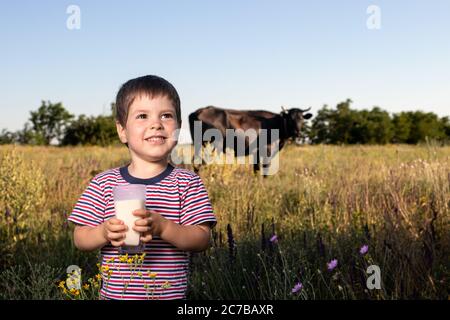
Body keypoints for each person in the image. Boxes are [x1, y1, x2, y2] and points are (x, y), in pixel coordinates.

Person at [68, 75, 216, 300]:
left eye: (166, 116)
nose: (156, 124)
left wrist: (164, 228)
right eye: (142, 116)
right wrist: (103, 232)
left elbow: (202, 238)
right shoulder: (103, 183)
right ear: (122, 131)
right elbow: (80, 237)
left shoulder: (188, 183)